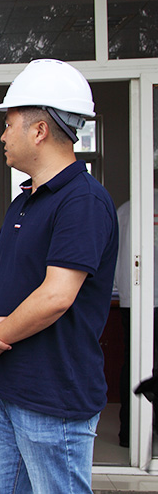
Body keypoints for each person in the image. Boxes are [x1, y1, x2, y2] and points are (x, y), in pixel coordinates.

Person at [0, 59, 118, 493]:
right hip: (9, 387)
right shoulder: (25, 200)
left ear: (39, 131)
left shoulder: (83, 201)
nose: (2, 135)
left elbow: (56, 296)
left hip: (53, 395)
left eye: (8, 124)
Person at [112, 189, 158, 448]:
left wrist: (121, 289)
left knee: (134, 362)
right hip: (138, 298)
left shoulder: (126, 209)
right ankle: (137, 430)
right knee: (137, 364)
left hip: (132, 298)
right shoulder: (127, 210)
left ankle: (129, 433)